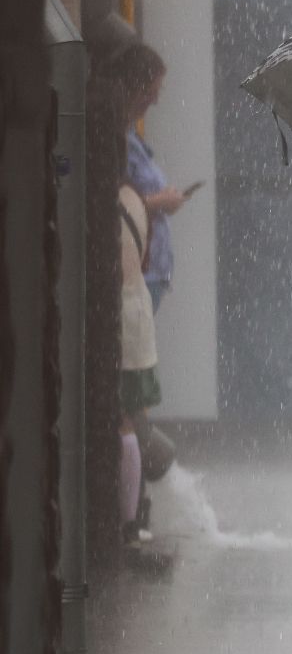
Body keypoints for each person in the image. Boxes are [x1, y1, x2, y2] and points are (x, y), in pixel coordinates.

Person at [106, 42, 188, 313]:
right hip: (137, 274)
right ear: (135, 86)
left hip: (150, 273)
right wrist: (159, 202)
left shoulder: (130, 135)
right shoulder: (114, 138)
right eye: (151, 91)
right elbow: (113, 204)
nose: (155, 100)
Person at [116, 181, 161, 549]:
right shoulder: (135, 200)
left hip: (122, 321)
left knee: (123, 422)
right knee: (131, 418)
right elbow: (145, 260)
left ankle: (128, 522)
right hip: (138, 318)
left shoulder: (109, 203)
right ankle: (133, 520)